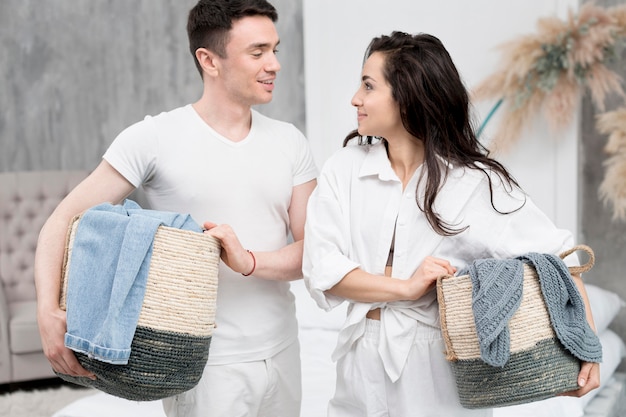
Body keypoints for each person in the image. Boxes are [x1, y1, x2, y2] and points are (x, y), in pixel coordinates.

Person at [34, 1, 317, 416]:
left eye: (276, 49)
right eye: (257, 52)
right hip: (202, 364)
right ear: (209, 60)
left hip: (283, 349)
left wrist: (250, 260)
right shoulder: (154, 138)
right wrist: (47, 313)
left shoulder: (290, 141)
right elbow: (61, 220)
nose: (273, 64)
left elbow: (314, 251)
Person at [302, 31, 600, 417]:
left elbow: (561, 256)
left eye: (368, 85)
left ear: (407, 95)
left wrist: (587, 347)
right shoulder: (344, 169)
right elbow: (320, 268)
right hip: (359, 360)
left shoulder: (474, 182)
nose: (355, 98)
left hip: (437, 365)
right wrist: (405, 288)